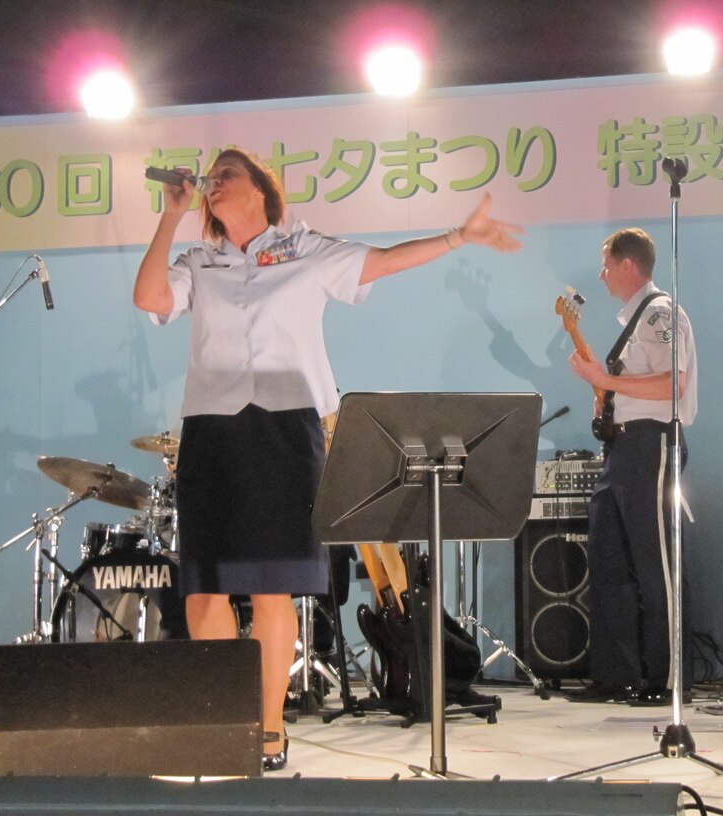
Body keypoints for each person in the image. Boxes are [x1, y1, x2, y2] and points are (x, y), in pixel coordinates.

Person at [133, 148, 522, 770]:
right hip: (211, 430)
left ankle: (268, 728)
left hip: (286, 431)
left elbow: (384, 261)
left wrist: (457, 236)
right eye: (213, 176)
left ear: (261, 190)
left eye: (229, 172)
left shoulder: (304, 249)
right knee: (204, 591)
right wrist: (170, 214)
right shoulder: (199, 262)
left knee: (271, 591)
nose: (215, 181)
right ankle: (225, 720)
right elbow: (148, 297)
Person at [564, 227, 698, 706]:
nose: (601, 276)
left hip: (651, 444)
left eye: (606, 266)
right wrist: (602, 390)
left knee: (655, 563)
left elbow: (673, 384)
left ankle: (668, 680)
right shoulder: (634, 319)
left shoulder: (661, 312)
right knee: (608, 560)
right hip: (621, 448)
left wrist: (604, 381)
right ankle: (616, 674)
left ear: (628, 265)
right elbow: (624, 386)